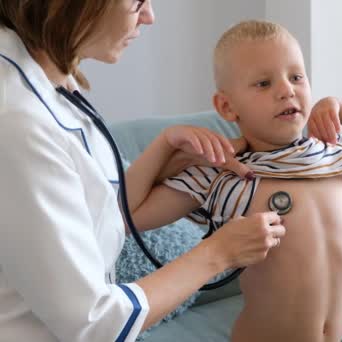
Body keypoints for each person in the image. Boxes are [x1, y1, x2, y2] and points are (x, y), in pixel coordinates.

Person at [0, 2, 286, 341]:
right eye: (137, 1)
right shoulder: (18, 122)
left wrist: (163, 152)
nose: (149, 17)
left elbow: (93, 219)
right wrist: (218, 253)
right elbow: (94, 322)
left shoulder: (48, 84)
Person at [132, 20, 342, 342]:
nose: (286, 90)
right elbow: (128, 215)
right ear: (226, 106)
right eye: (264, 83)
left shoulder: (332, 153)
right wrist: (164, 143)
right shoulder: (226, 173)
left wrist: (337, 107)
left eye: (296, 77)